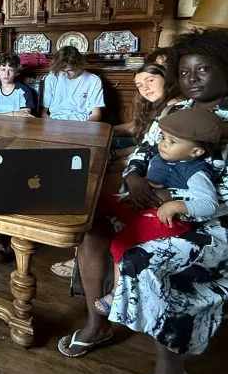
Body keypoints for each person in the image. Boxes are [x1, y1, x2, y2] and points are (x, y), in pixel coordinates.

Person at [58, 29, 228, 374]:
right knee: (92, 226)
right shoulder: (174, 110)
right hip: (151, 203)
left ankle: (170, 368)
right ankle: (98, 323)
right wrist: (134, 178)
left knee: (144, 257)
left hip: (212, 227)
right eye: (186, 71)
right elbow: (143, 152)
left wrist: (171, 199)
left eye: (203, 70)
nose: (192, 78)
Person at [50, 58, 180, 281]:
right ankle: (82, 253)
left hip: (157, 176)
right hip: (142, 161)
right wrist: (107, 132)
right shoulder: (160, 107)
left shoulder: (175, 109)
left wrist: (117, 157)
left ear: (166, 80)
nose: (145, 87)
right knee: (96, 152)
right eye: (140, 84)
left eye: (150, 80)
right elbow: (140, 135)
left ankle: (83, 258)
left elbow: (153, 150)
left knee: (96, 168)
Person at [92, 108, 222, 316]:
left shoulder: (195, 171)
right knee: (100, 203)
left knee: (121, 244)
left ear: (196, 152)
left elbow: (209, 203)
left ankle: (116, 294)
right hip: (143, 206)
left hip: (165, 220)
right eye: (163, 137)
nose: (163, 143)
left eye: (172, 141)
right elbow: (138, 165)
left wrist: (176, 205)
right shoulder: (159, 156)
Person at [42, 46, 105, 121]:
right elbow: (43, 113)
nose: (66, 75)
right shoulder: (51, 78)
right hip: (55, 120)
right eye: (63, 71)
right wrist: (49, 123)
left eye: (70, 70)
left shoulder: (94, 80)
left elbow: (96, 115)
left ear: (79, 65)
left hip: (82, 122)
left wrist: (86, 128)